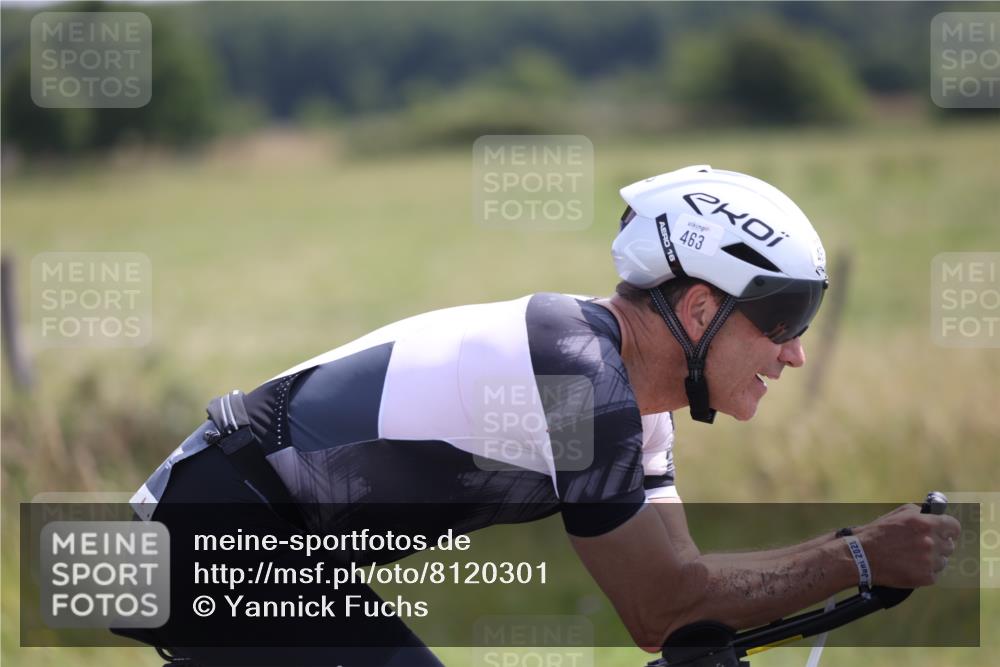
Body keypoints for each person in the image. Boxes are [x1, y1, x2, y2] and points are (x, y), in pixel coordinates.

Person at [122, 165, 960, 666]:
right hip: (201, 536)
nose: (794, 354)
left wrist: (849, 557)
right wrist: (855, 554)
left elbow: (683, 595)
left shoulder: (634, 409)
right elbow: (660, 607)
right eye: (780, 324)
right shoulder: (574, 370)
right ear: (701, 309)